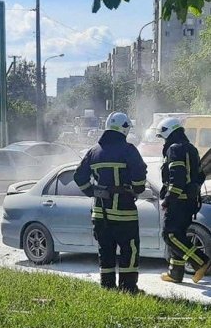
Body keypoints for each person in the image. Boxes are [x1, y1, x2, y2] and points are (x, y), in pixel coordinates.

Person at [74, 112, 147, 293]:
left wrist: (93, 192)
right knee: (129, 249)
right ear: (124, 128)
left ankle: (107, 287)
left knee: (105, 249)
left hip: (100, 212)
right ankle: (128, 288)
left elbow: (79, 177)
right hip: (124, 211)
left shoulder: (93, 151)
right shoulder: (129, 150)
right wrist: (135, 189)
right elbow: (139, 181)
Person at [156, 117, 210, 283]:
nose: (163, 140)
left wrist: (168, 199)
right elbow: (200, 175)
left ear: (168, 132)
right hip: (190, 201)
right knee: (180, 235)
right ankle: (175, 273)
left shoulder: (175, 149)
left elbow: (177, 179)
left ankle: (201, 261)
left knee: (170, 235)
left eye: (162, 136)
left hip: (178, 201)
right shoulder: (191, 148)